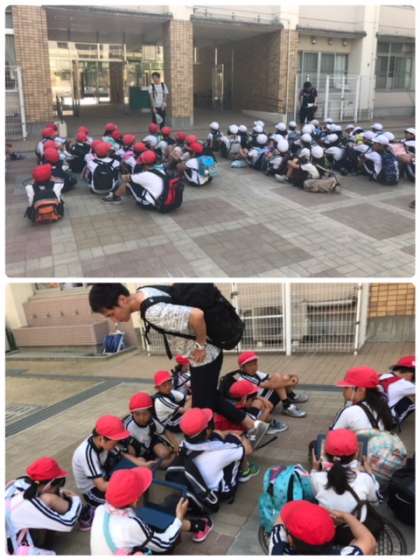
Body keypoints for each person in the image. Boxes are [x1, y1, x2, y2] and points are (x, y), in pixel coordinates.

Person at [88, 284, 269, 449]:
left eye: (111, 314)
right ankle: (253, 425)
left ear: (122, 300)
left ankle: (212, 449)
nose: (114, 321)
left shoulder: (152, 311)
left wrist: (200, 345)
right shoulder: (145, 291)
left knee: (201, 411)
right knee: (209, 398)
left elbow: (196, 315)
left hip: (205, 358)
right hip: (204, 357)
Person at [90, 466, 207, 554]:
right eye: (144, 490)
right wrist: (179, 518)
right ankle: (199, 526)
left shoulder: (100, 510)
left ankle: (196, 525)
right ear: (135, 501)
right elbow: (164, 543)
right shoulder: (132, 525)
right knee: (164, 543)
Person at [72, 415, 153, 522]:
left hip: (105, 475)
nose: (116, 445)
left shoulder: (103, 440)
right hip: (93, 491)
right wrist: (128, 484)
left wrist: (142, 464)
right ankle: (93, 512)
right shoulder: (86, 454)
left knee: (140, 463)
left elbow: (123, 454)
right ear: (101, 439)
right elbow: (101, 486)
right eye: (115, 442)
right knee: (126, 501)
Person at [310, 429, 381, 545]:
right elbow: (375, 501)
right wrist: (370, 473)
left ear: (325, 454)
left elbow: (313, 495)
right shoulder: (365, 479)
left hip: (328, 531)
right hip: (355, 532)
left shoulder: (316, 478)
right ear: (356, 454)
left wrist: (314, 469)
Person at [6, 457, 84, 554]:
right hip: (9, 546)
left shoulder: (21, 482)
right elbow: (68, 524)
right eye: (59, 484)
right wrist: (76, 500)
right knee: (49, 501)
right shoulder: (31, 503)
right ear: (50, 484)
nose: (59, 488)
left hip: (9, 528)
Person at [179, 407, 254, 502]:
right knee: (238, 444)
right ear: (206, 431)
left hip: (202, 479)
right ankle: (245, 473)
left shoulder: (183, 444)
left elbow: (216, 433)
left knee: (217, 434)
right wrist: (241, 437)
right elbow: (248, 450)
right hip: (221, 491)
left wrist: (228, 433)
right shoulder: (219, 454)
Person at [269, 500, 377, 555]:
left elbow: (281, 518)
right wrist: (346, 516)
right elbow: (369, 541)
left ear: (291, 540)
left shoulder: (277, 550)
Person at [237, 351, 308, 419]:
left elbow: (274, 378)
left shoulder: (256, 373)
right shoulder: (244, 378)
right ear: (242, 367)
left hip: (266, 397)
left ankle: (290, 398)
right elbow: (270, 385)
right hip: (262, 404)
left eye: (255, 364)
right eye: (250, 365)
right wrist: (291, 382)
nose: (254, 367)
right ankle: (287, 405)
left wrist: (290, 376)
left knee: (280, 377)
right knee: (277, 382)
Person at [331, 367, 395, 432]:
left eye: (346, 387)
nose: (343, 390)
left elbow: (332, 435)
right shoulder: (381, 404)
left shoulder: (349, 412)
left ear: (361, 390)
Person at [124, 391, 178, 468]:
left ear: (150, 412)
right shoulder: (127, 425)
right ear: (132, 413)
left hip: (150, 441)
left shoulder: (152, 421)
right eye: (137, 414)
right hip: (137, 447)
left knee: (164, 454)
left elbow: (165, 431)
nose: (141, 418)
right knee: (138, 460)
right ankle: (158, 463)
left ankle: (170, 455)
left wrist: (177, 446)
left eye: (145, 413)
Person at [379, 355, 415, 425]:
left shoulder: (383, 375)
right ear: (410, 373)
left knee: (404, 397)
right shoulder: (403, 384)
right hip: (382, 422)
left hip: (371, 413)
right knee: (409, 403)